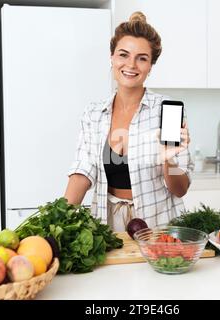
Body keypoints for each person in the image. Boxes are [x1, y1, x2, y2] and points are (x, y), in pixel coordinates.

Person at [64, 12, 193, 231]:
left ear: (150, 65)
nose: (131, 65)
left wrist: (168, 160)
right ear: (112, 57)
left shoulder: (168, 111)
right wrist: (59, 218)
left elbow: (180, 189)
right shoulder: (94, 113)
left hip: (156, 226)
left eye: (142, 58)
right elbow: (82, 172)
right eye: (123, 55)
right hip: (107, 224)